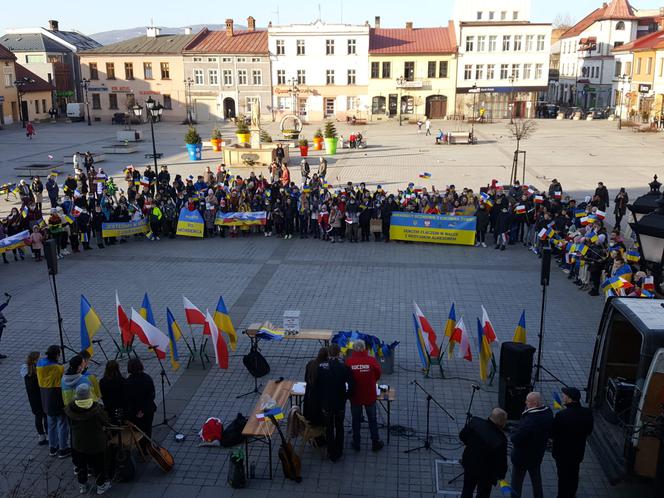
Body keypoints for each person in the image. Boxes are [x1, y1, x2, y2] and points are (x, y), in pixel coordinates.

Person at [64, 383, 112, 495]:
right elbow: (105, 421)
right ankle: (101, 485)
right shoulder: (96, 408)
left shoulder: (70, 409)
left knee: (81, 465)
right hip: (96, 443)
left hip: (78, 443)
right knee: (99, 465)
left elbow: (69, 423)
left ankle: (83, 485)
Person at [552, 387, 594, 498]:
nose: (562, 397)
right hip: (577, 452)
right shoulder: (587, 412)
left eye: (564, 395)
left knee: (563, 477)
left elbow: (553, 434)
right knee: (574, 475)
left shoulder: (562, 415)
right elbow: (589, 431)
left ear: (569, 399)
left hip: (562, 454)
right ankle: (571, 494)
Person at [510, 391, 554, 498]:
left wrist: (514, 433)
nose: (525, 403)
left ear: (535, 403)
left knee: (516, 482)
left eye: (528, 401)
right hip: (537, 454)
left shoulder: (529, 421)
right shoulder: (548, 412)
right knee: (536, 480)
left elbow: (516, 439)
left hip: (522, 457)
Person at [459, 408, 508, 498]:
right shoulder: (500, 440)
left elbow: (462, 436)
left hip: (470, 464)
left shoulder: (475, 422)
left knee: (467, 490)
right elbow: (501, 461)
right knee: (483, 494)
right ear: (501, 422)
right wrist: (501, 476)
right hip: (486, 474)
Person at [316, 344, 354, 461]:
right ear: (339, 353)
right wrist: (346, 395)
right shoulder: (344, 366)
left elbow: (317, 384)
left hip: (326, 403)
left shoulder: (321, 366)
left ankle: (331, 451)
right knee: (339, 426)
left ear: (328, 353)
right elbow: (352, 384)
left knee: (329, 427)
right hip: (339, 403)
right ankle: (339, 450)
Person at [345, 340, 384, 452]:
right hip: (369, 395)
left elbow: (346, 377)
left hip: (355, 396)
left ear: (354, 349)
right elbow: (378, 374)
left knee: (356, 420)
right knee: (372, 419)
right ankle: (375, 442)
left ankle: (356, 443)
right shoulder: (371, 360)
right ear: (364, 348)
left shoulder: (349, 362)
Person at [36, 345, 70, 458]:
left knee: (51, 424)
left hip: (45, 398)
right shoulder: (57, 368)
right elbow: (63, 373)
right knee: (62, 423)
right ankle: (63, 448)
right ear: (57, 355)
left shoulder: (39, 364)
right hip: (57, 397)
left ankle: (53, 447)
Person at [125, 358, 156, 448]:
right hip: (148, 409)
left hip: (135, 411)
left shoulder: (128, 382)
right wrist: (143, 409)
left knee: (139, 430)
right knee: (148, 428)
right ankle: (148, 446)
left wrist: (137, 411)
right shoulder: (147, 378)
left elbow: (128, 399)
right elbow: (152, 395)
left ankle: (141, 448)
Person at [22, 351, 48, 445]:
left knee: (38, 416)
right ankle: (48, 435)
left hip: (32, 398)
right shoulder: (38, 372)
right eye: (39, 358)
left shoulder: (25, 370)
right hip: (41, 396)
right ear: (36, 360)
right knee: (45, 415)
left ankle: (41, 436)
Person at [303, 347, 328, 426]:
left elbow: (306, 378)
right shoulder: (326, 367)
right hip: (320, 405)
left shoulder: (311, 363)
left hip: (310, 403)